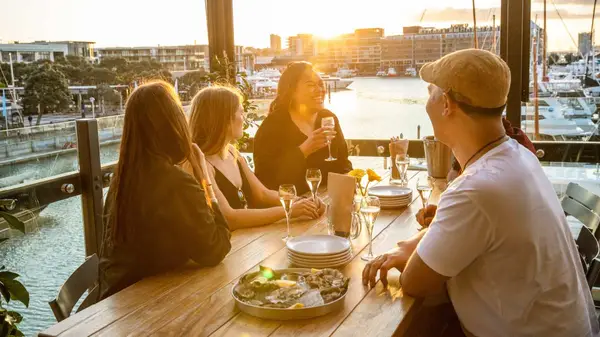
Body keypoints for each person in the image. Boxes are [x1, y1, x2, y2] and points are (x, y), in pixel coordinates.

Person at [362, 49, 599, 337]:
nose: (427, 103)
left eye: (430, 93)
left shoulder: (476, 188)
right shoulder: (519, 158)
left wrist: (408, 252)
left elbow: (415, 282)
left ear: (446, 104)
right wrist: (424, 240)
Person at [98, 81, 231, 300]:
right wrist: (205, 178)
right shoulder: (175, 183)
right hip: (151, 308)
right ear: (173, 124)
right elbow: (216, 248)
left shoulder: (122, 179)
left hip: (117, 303)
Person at [188, 86, 324, 230]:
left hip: (248, 239)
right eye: (240, 112)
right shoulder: (200, 162)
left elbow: (262, 194)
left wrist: (302, 202)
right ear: (224, 119)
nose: (244, 118)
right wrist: (288, 211)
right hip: (230, 246)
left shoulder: (233, 153)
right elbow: (229, 217)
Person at [254, 62, 352, 195]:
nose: (320, 90)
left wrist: (350, 188)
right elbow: (266, 179)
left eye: (320, 84)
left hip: (327, 201)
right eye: (311, 85)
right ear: (292, 91)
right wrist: (304, 150)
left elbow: (344, 164)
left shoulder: (328, 118)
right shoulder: (274, 124)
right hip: (290, 207)